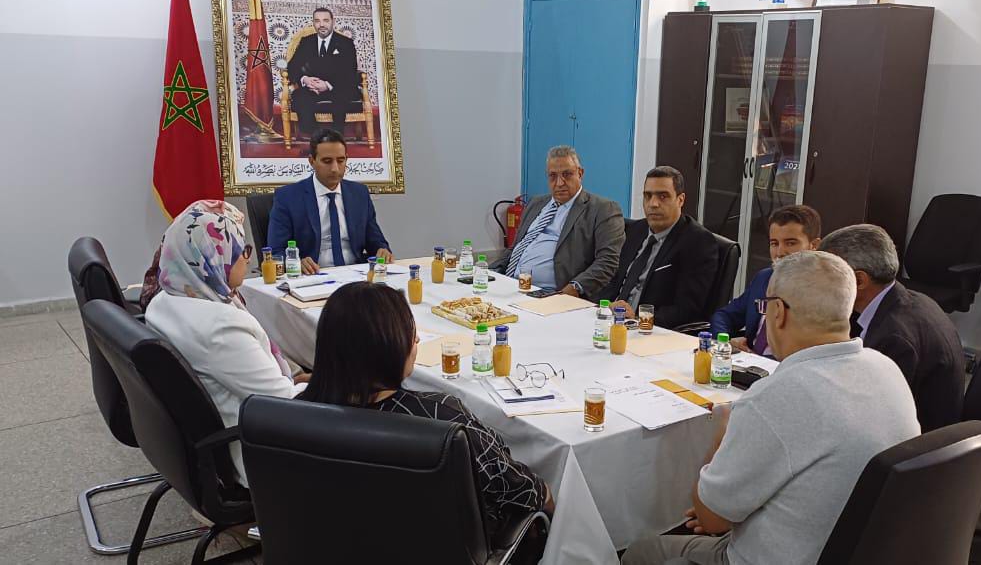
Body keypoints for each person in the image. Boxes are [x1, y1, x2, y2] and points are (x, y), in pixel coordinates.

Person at [622, 251, 920, 565]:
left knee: (641, 552)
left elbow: (711, 520)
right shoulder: (885, 369)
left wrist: (723, 436)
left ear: (778, 313)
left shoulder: (774, 398)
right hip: (859, 547)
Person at [298, 282, 555, 543]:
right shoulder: (441, 419)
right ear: (388, 346)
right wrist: (546, 495)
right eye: (409, 332)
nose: (417, 339)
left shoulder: (296, 414)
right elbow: (523, 492)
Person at [145, 201, 307, 487]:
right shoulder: (220, 326)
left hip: (218, 431)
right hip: (258, 450)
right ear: (215, 256)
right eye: (242, 250)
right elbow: (284, 404)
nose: (248, 259)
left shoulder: (164, 301)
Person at [819, 224, 965, 432]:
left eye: (825, 274)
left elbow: (869, 416)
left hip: (915, 444)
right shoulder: (913, 299)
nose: (819, 282)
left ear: (859, 280)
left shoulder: (894, 338)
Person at [492, 146, 624, 299]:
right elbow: (516, 247)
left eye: (567, 174)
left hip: (552, 294)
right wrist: (490, 272)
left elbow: (607, 261)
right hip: (511, 286)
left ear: (580, 173)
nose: (559, 183)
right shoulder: (536, 203)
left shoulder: (603, 209)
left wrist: (573, 289)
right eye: (553, 176)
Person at [598, 166, 719, 328]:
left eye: (663, 196)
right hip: (613, 320)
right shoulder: (635, 230)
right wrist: (605, 306)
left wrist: (639, 319)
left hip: (649, 329)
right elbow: (614, 281)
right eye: (648, 196)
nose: (653, 204)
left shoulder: (698, 242)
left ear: (680, 200)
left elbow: (686, 308)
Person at [268, 128, 392, 274]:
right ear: (312, 161)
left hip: (355, 275)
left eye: (340, 161)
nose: (335, 168)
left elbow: (376, 241)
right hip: (312, 276)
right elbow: (276, 251)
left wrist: (382, 250)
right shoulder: (288, 197)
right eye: (327, 161)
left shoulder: (359, 194)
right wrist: (296, 262)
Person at [710, 205, 822, 357]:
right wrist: (727, 342)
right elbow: (724, 316)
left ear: (814, 245)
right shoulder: (764, 277)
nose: (780, 252)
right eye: (774, 243)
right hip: (746, 362)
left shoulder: (822, 290)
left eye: (790, 243)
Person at [287, 7, 359, 135]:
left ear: (333, 21)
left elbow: (350, 71)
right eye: (317, 21)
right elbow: (292, 66)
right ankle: (315, 134)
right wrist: (305, 80)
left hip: (338, 87)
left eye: (326, 20)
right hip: (312, 87)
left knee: (341, 96)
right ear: (313, 23)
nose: (321, 25)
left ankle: (336, 135)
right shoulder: (306, 42)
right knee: (300, 96)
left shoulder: (346, 43)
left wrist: (327, 85)